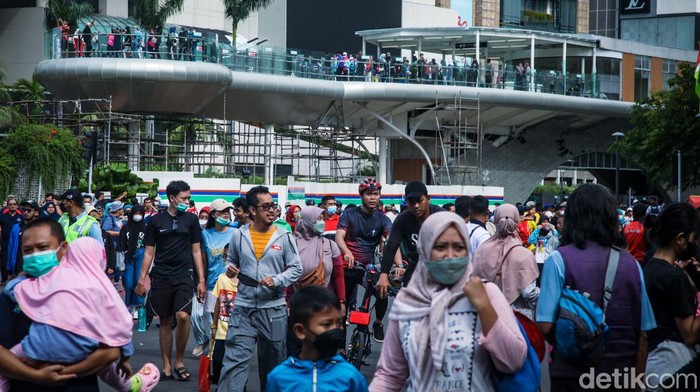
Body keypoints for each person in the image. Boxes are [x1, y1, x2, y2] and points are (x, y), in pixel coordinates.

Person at [370, 211, 527, 391]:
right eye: (441, 247)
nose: (450, 255)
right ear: (425, 249)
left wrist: (484, 307)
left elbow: (513, 360)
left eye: (458, 247)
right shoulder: (407, 302)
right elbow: (390, 375)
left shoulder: (487, 293)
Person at [536, 184, 656, 391]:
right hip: (620, 375)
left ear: (573, 217)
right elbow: (644, 333)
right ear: (611, 218)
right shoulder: (632, 265)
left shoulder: (558, 259)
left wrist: (576, 339)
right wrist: (637, 382)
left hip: (571, 376)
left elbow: (545, 325)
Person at [0, 235, 159, 392]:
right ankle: (129, 386)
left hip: (36, 347)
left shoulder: (54, 276)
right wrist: (124, 358)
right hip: (82, 350)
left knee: (6, 366)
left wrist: (16, 284)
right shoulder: (101, 286)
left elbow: (25, 289)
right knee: (104, 358)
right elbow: (121, 325)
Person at [217, 185, 303, 392]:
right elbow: (231, 260)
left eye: (273, 205)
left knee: (273, 365)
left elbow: (296, 268)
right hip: (243, 309)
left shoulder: (283, 235)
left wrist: (278, 279)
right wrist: (230, 270)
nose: (272, 210)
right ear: (252, 211)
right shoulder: (239, 235)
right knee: (234, 362)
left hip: (273, 310)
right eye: (266, 206)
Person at [134, 180, 207, 382]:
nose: (187, 201)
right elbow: (149, 252)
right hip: (161, 276)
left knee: (183, 316)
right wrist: (141, 280)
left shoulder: (191, 221)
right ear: (172, 198)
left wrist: (201, 280)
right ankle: (167, 365)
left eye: (188, 198)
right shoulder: (156, 221)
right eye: (184, 198)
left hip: (184, 275)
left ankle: (180, 361)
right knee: (165, 320)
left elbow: (196, 250)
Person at [642, 202, 700, 390]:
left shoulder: (649, 265)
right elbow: (690, 334)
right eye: (694, 238)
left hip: (651, 363)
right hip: (673, 366)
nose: (696, 244)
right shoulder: (674, 278)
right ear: (681, 238)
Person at [266, 286, 368, 392]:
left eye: (339, 323)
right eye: (326, 324)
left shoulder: (350, 376)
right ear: (300, 331)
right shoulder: (280, 377)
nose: (335, 329)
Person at [336, 178, 392, 342]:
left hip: (367, 267)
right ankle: (339, 347)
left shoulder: (383, 219)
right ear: (361, 196)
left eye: (376, 194)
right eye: (369, 194)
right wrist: (346, 252)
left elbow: (392, 242)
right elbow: (339, 237)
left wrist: (398, 264)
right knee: (341, 308)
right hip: (347, 266)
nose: (373, 198)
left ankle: (378, 323)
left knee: (382, 291)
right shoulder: (349, 214)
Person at [471, 204, 539, 320]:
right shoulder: (524, 254)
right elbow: (529, 293)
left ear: (496, 220)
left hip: (488, 315)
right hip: (518, 318)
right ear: (517, 221)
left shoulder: (482, 250)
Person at [378, 181, 442, 295]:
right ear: (406, 202)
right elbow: (392, 246)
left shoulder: (442, 217)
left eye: (420, 201)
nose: (416, 206)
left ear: (428, 198)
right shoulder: (403, 220)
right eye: (412, 202)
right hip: (415, 267)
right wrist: (383, 275)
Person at [194, 199, 235, 357]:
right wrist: (201, 281)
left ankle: (226, 353)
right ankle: (214, 353)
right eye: (222, 211)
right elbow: (203, 261)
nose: (226, 214)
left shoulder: (235, 232)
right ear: (213, 214)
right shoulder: (205, 234)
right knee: (212, 321)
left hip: (230, 285)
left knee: (228, 322)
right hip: (212, 284)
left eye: (227, 211)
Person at [289, 206, 345, 311]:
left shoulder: (330, 245)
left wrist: (341, 301)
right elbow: (285, 277)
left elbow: (338, 275)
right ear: (306, 221)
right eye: (318, 219)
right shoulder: (291, 244)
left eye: (323, 219)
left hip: (324, 303)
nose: (322, 222)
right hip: (297, 304)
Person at [210, 244, 237, 384]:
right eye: (225, 257)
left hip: (238, 331)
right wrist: (214, 326)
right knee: (218, 361)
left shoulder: (245, 281)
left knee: (236, 365)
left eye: (229, 257)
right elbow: (217, 303)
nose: (227, 261)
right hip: (221, 331)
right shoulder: (222, 278)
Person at [117, 205, 147, 314]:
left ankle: (137, 306)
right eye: (136, 213)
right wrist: (119, 261)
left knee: (137, 281)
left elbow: (149, 245)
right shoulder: (126, 227)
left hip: (141, 254)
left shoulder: (145, 227)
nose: (137, 216)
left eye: (140, 214)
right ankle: (128, 304)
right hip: (128, 256)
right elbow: (120, 244)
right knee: (128, 283)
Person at [5, 201, 40, 281]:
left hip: (34, 270)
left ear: (36, 212)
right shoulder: (16, 228)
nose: (26, 212)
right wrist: (9, 270)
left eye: (29, 210)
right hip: (18, 269)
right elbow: (10, 249)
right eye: (24, 210)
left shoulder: (40, 228)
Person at [0, 197, 23, 284]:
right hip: (5, 241)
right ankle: (3, 279)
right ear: (8, 206)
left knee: (14, 259)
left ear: (17, 206)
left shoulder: (21, 217)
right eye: (10, 204)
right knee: (4, 260)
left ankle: (14, 277)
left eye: (14, 204)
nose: (12, 206)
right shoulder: (2, 216)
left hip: (16, 242)